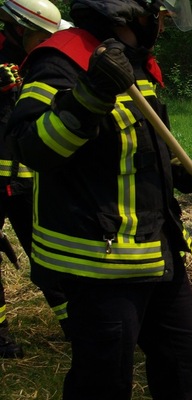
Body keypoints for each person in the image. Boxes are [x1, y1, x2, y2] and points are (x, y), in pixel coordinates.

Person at [4, 0, 192, 397]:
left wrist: (183, 172)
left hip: (158, 250)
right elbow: (32, 149)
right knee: (102, 382)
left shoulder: (138, 62)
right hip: (101, 262)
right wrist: (89, 97)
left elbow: (142, 142)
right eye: (159, 14)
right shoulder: (63, 59)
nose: (163, 24)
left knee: (188, 368)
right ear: (124, 11)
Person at [0, 0, 65, 358]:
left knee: (47, 256)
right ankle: (0, 337)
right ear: (20, 27)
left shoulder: (44, 60)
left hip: (28, 179)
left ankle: (75, 325)